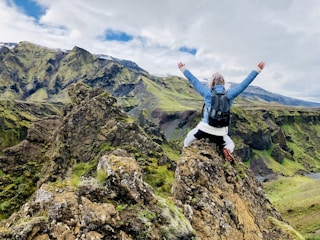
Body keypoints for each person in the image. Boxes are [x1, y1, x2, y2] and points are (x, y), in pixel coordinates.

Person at [177, 61, 265, 162]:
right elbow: (244, 84)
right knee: (231, 144)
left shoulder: (207, 93)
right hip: (220, 133)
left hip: (204, 130)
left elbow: (194, 81)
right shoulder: (230, 94)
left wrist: (183, 69)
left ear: (211, 83)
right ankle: (226, 149)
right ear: (223, 83)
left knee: (188, 139)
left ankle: (185, 156)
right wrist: (257, 70)